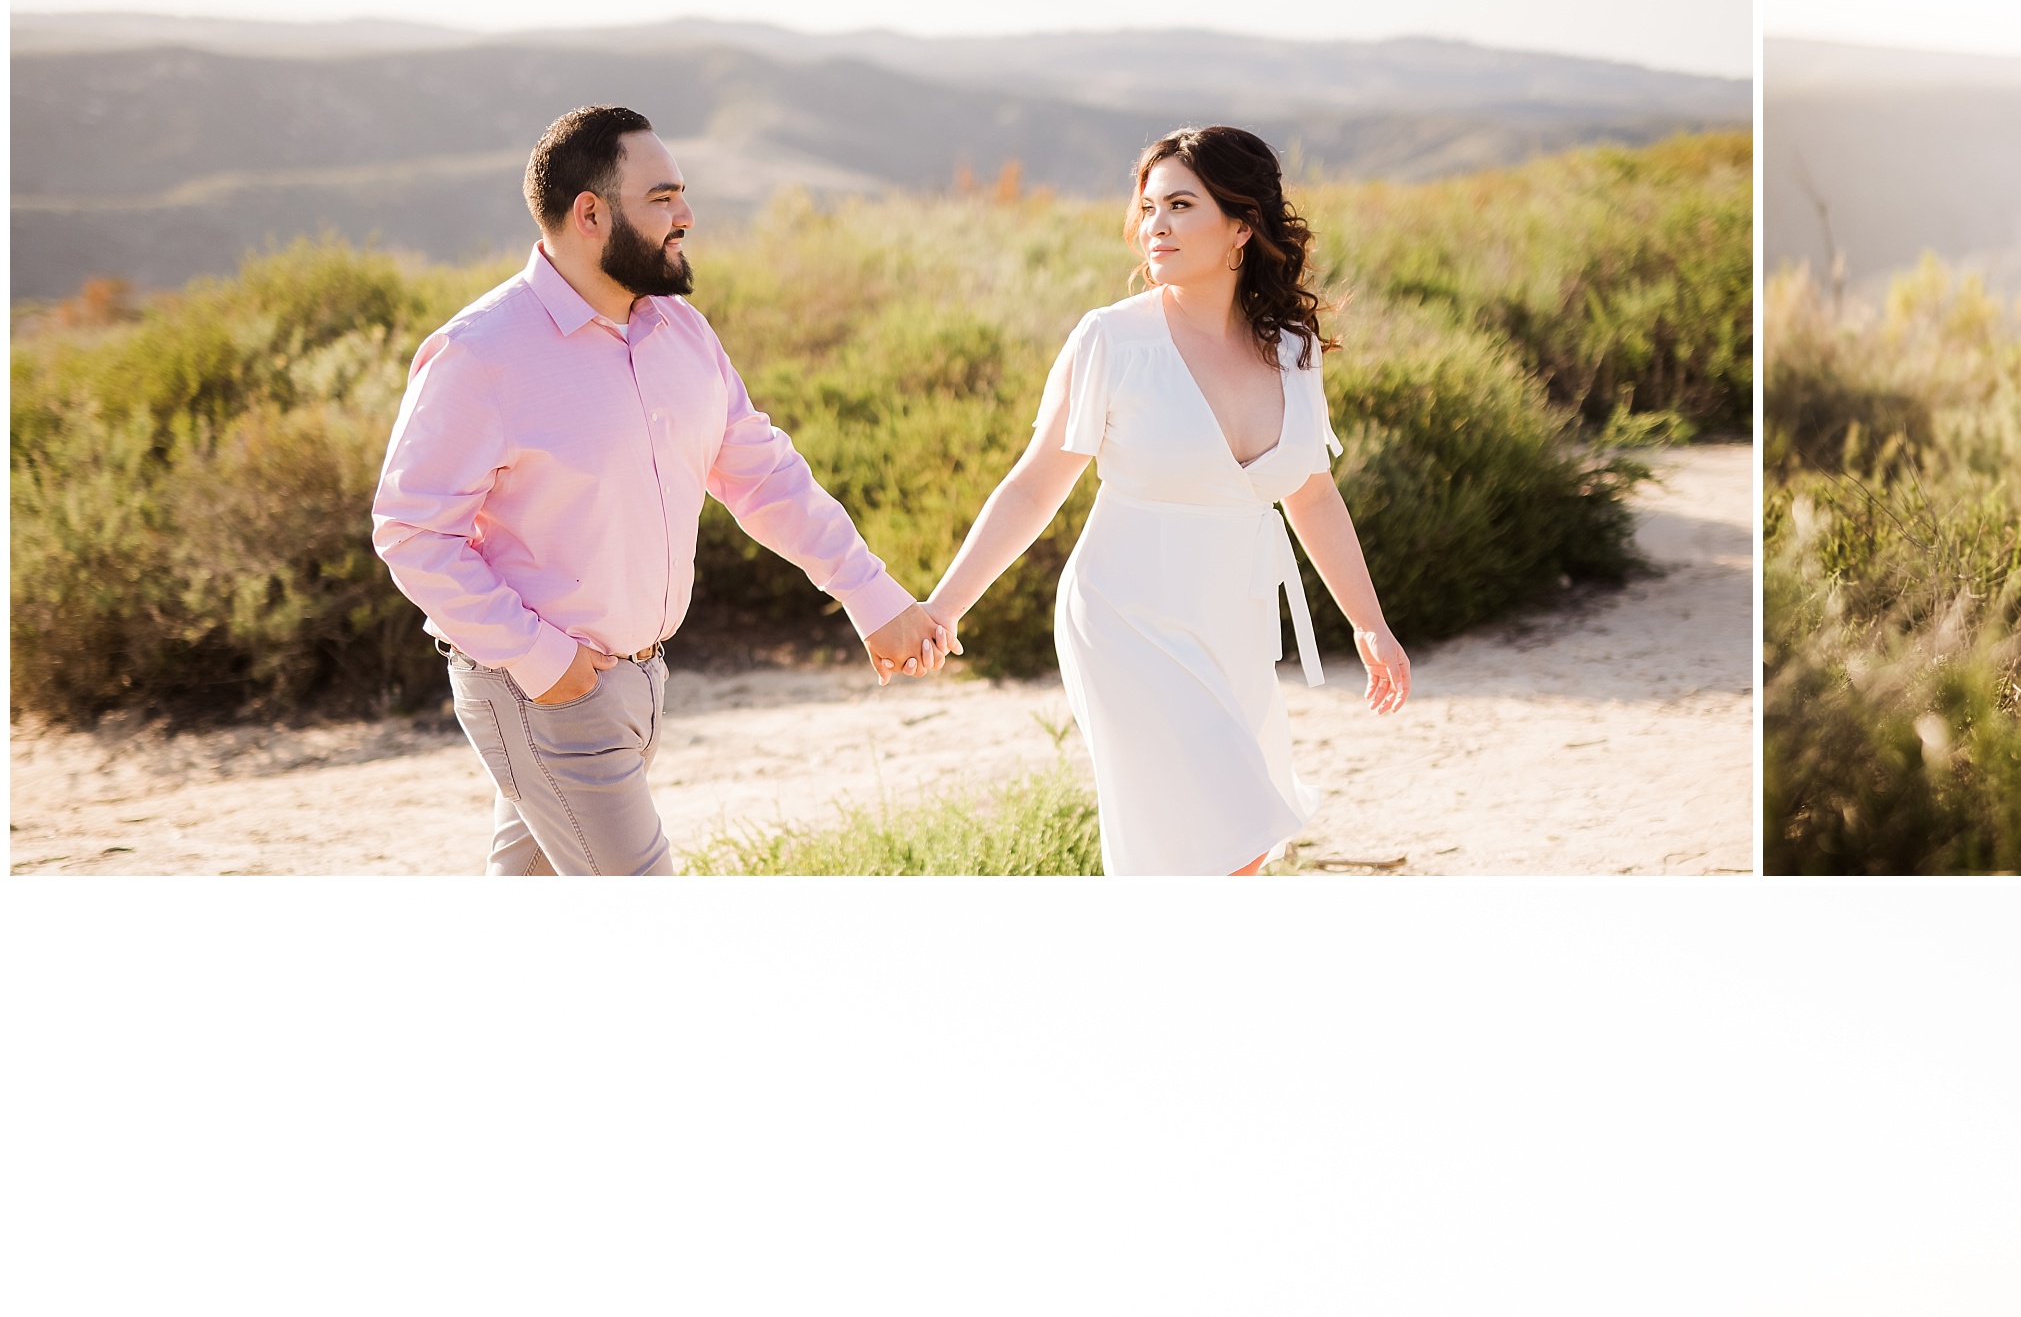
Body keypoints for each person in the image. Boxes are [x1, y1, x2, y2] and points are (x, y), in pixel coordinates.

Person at [372, 105, 948, 875]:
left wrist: (870, 596)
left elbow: (764, 476)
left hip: (638, 681)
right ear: (590, 214)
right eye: (663, 197)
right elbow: (411, 533)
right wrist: (544, 662)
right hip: (543, 693)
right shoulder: (480, 354)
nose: (687, 216)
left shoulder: (682, 333)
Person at [912, 129, 1412, 876]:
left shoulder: (1293, 348)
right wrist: (943, 607)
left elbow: (1311, 492)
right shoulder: (1111, 341)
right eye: (1148, 208)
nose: (1156, 226)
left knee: (1218, 849)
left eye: (1181, 205)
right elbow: (1034, 482)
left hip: (1231, 621)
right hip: (1124, 615)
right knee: (1232, 833)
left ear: (1242, 225)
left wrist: (1369, 623)